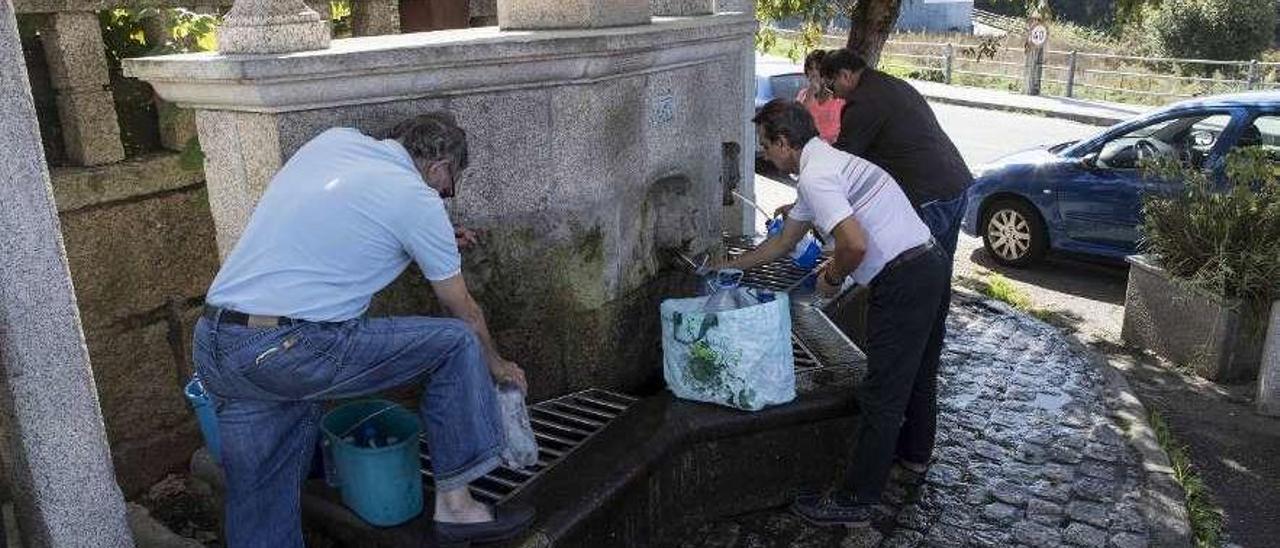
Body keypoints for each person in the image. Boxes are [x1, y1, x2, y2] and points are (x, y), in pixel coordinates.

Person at [191, 112, 534, 547]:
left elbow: (348, 218)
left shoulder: (334, 143)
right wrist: (498, 364)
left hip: (217, 339)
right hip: (290, 347)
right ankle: (458, 508)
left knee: (261, 494)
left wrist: (437, 232)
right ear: (440, 167)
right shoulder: (417, 199)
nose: (443, 197)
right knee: (457, 343)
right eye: (448, 188)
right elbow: (463, 310)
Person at [721, 100, 950, 527]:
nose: (765, 155)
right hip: (929, 262)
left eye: (766, 146)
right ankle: (914, 457)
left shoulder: (816, 176)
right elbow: (781, 244)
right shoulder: (826, 165)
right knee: (918, 372)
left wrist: (831, 277)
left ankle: (856, 500)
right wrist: (727, 268)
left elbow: (854, 244)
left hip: (902, 278)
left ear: (785, 142)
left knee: (882, 391)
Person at [818, 47, 973, 255]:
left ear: (844, 75)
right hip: (956, 184)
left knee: (916, 266)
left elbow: (844, 161)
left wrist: (810, 195)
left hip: (928, 195)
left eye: (831, 87)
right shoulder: (891, 84)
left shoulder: (863, 102)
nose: (834, 96)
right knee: (940, 268)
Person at [795, 49, 845, 144]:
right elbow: (797, 120)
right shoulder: (803, 94)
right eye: (810, 68)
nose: (814, 73)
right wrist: (810, 93)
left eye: (817, 68)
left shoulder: (838, 98)